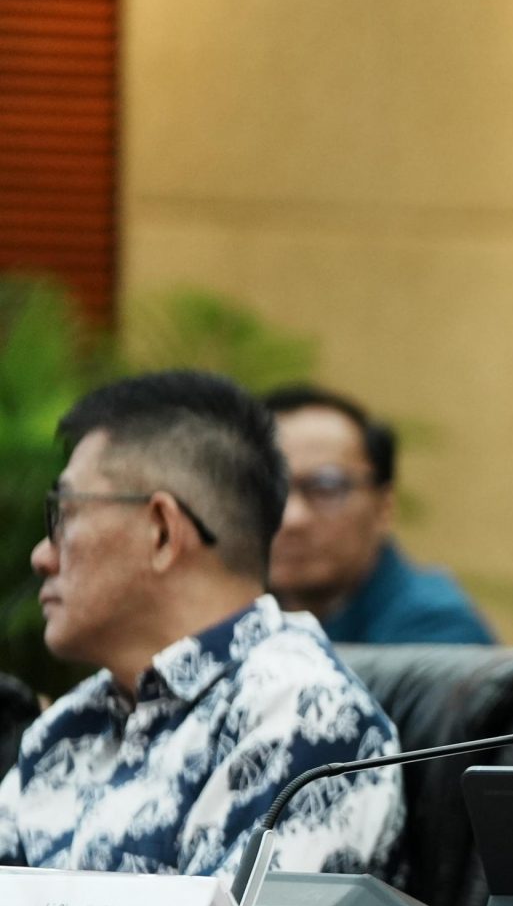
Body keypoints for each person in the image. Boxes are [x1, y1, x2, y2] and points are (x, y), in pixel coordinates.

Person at [1, 370, 403, 877]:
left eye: (64, 515)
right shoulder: (71, 723)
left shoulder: (303, 715)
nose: (41, 556)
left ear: (162, 531)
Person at [265, 385, 495, 644]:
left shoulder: (436, 630)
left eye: (326, 488)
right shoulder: (251, 615)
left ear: (384, 507)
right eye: (267, 487)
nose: (291, 518)